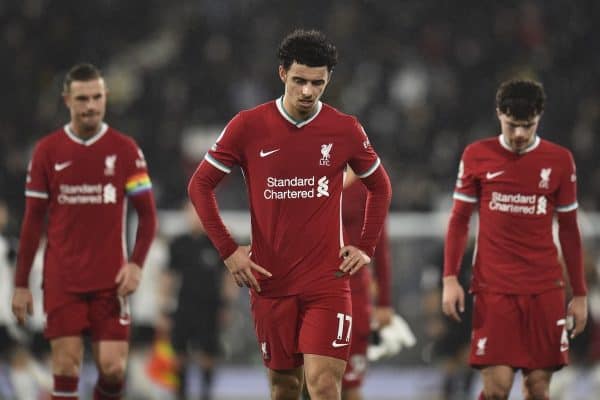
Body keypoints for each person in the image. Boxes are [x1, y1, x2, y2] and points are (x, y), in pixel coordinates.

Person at [187, 29, 392, 400]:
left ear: (329, 78)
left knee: (325, 386)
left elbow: (381, 186)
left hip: (326, 282)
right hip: (270, 282)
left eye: (318, 82)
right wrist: (229, 251)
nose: (308, 91)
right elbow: (199, 186)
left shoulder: (345, 129)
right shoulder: (248, 126)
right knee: (284, 388)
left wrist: (365, 247)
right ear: (282, 73)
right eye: (299, 80)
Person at [11, 63, 158, 400]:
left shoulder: (125, 150)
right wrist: (21, 284)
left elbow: (148, 217)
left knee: (113, 368)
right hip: (63, 279)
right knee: (65, 367)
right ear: (67, 101)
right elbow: (33, 221)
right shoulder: (47, 151)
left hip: (111, 280)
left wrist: (136, 264)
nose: (91, 105)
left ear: (105, 98)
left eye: (96, 97)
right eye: (82, 99)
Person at [442, 79, 588, 400]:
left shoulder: (560, 161)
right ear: (499, 115)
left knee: (538, 389)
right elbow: (459, 220)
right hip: (496, 290)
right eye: (512, 125)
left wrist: (579, 293)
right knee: (497, 389)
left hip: (545, 290)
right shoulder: (477, 155)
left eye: (528, 126)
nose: (520, 134)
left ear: (539, 118)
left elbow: (569, 229)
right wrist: (450, 277)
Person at [168, 201, 231, 400]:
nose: (195, 217)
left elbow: (228, 276)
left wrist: (226, 305)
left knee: (208, 354)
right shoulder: (179, 243)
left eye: (198, 212)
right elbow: (169, 276)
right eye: (191, 212)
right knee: (179, 354)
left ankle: (206, 393)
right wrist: (164, 307)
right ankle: (181, 393)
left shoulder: (218, 242)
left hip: (209, 307)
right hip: (184, 305)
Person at [340, 169, 393, 400]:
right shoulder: (314, 175)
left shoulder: (367, 185)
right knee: (312, 380)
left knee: (350, 383)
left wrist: (384, 303)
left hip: (354, 292)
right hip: (315, 288)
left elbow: (380, 249)